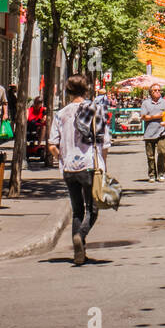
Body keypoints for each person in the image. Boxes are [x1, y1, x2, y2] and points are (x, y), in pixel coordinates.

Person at [48, 75, 110, 266]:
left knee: (77, 210)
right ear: (86, 90)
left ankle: (79, 251)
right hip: (89, 165)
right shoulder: (95, 110)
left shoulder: (61, 114)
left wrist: (62, 157)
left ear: (68, 90)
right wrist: (103, 164)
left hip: (69, 168)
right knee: (93, 209)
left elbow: (52, 145)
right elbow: (104, 143)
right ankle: (80, 236)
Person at [140, 82, 165, 183]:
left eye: (159, 90)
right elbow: (143, 117)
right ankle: (152, 174)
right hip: (149, 133)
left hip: (162, 132)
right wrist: (156, 116)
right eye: (155, 90)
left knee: (162, 152)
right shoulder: (145, 103)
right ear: (150, 92)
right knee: (150, 156)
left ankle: (161, 173)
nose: (157, 92)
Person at [26, 96, 49, 167]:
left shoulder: (43, 110)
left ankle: (39, 144)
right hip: (30, 126)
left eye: (39, 103)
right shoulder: (29, 110)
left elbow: (45, 118)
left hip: (39, 127)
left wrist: (44, 117)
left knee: (43, 126)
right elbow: (26, 118)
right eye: (36, 103)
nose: (37, 105)